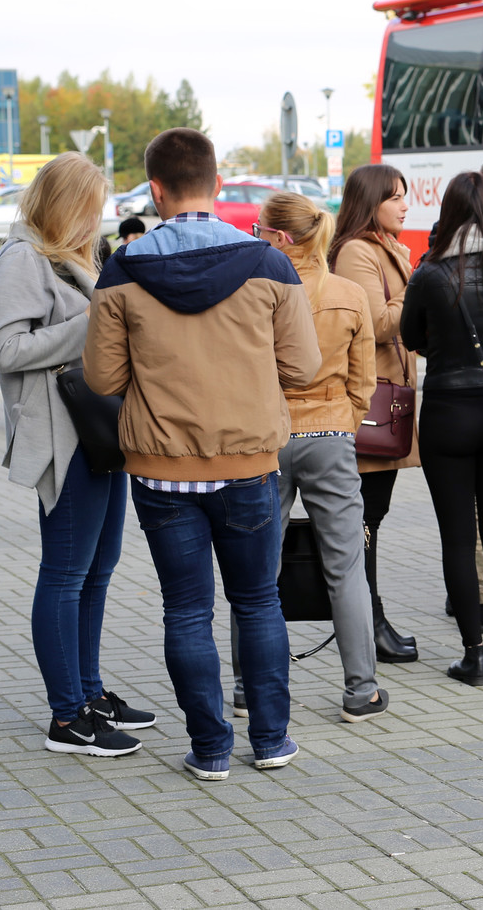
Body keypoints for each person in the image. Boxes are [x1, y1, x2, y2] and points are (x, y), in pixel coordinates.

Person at [84, 127, 320, 780]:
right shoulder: (269, 263)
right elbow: (303, 367)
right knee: (258, 602)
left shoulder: (122, 269)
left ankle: (210, 749)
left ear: (155, 190)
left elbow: (102, 378)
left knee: (186, 610)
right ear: (217, 183)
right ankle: (271, 741)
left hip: (161, 471)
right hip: (248, 463)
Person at [0, 152, 155, 758]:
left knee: (98, 566)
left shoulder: (76, 256)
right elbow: (7, 349)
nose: (97, 217)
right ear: (62, 205)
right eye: (89, 206)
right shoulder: (22, 257)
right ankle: (67, 716)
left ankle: (89, 692)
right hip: (63, 434)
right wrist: (90, 325)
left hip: (100, 430)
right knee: (65, 572)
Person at [248, 191, 387, 721]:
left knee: (256, 569)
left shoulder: (254, 290)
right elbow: (364, 380)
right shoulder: (349, 293)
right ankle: (361, 690)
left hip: (268, 434)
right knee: (346, 567)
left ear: (281, 237)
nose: (255, 237)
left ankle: (246, 688)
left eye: (260, 230)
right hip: (329, 433)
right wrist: (342, 424)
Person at [402, 172, 483, 684]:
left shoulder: (431, 274)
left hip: (448, 411)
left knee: (457, 538)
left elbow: (410, 336)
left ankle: (472, 656)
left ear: (450, 213)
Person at [330, 164, 423, 662]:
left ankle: (371, 622)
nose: (405, 206)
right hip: (369, 409)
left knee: (372, 518)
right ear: (371, 203)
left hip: (388, 404)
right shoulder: (356, 251)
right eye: (395, 198)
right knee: (364, 520)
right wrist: (416, 282)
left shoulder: (385, 248)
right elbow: (377, 323)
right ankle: (369, 626)